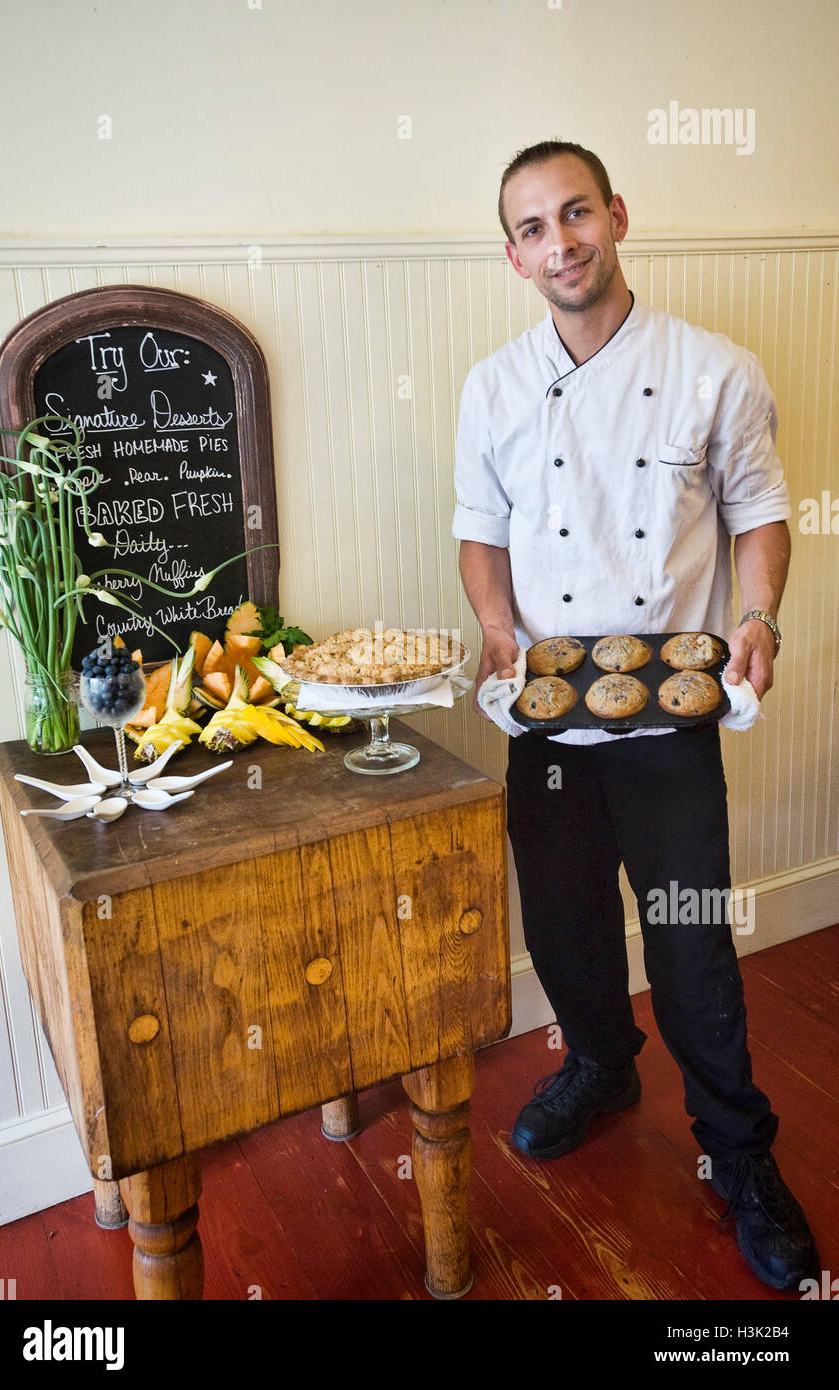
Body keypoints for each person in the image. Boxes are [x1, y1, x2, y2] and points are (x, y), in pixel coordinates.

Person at [452, 139, 818, 1292]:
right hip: (547, 716)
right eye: (530, 228)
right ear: (509, 254)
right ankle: (601, 1063)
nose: (557, 242)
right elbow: (480, 531)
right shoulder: (491, 386)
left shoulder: (713, 367)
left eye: (573, 214)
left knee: (690, 938)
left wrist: (756, 619)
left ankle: (737, 1151)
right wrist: (497, 628)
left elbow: (760, 511)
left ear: (615, 214)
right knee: (560, 927)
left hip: (669, 714)